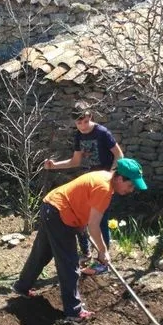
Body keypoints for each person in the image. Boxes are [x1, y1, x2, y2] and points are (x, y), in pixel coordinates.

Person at [13, 158, 147, 324]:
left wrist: (81, 225)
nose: (131, 190)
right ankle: (74, 311)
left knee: (42, 253)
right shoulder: (104, 188)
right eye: (131, 185)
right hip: (59, 213)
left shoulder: (104, 177)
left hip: (53, 206)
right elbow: (94, 225)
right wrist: (103, 250)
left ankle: (22, 287)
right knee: (69, 264)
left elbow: (84, 206)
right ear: (120, 178)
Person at [43, 101, 124, 269]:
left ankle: (102, 261)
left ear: (90, 117)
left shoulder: (102, 133)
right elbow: (75, 161)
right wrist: (54, 165)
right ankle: (87, 253)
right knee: (83, 218)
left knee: (100, 221)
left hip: (104, 184)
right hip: (89, 183)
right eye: (79, 123)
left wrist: (111, 174)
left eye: (86, 121)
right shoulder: (79, 136)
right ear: (75, 122)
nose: (83, 126)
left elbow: (119, 155)